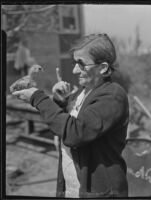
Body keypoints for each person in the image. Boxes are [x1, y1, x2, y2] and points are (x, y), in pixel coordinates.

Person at [12, 33, 129, 198]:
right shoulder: (83, 94)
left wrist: (38, 98)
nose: (74, 70)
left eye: (81, 64)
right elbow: (62, 129)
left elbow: (75, 133)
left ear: (103, 68)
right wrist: (61, 102)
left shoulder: (113, 96)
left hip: (101, 193)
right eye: (75, 63)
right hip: (73, 189)